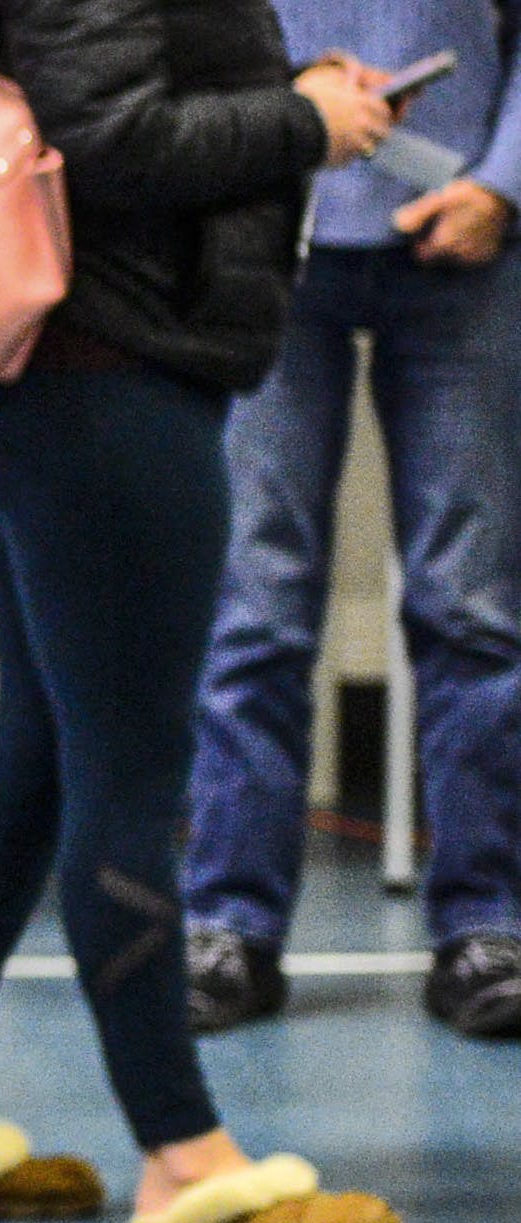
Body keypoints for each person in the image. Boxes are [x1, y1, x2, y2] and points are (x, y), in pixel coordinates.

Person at [0, 0, 403, 1223]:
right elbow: (106, 134)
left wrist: (292, 92)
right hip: (105, 375)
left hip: (77, 367)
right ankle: (183, 1154)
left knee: (38, 752)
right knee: (130, 780)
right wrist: (300, 121)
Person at [182, 0, 521, 1041]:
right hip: (269, 231)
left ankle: (487, 927)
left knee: (470, 603)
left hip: (466, 234)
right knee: (254, 599)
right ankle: (227, 925)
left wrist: (503, 185)